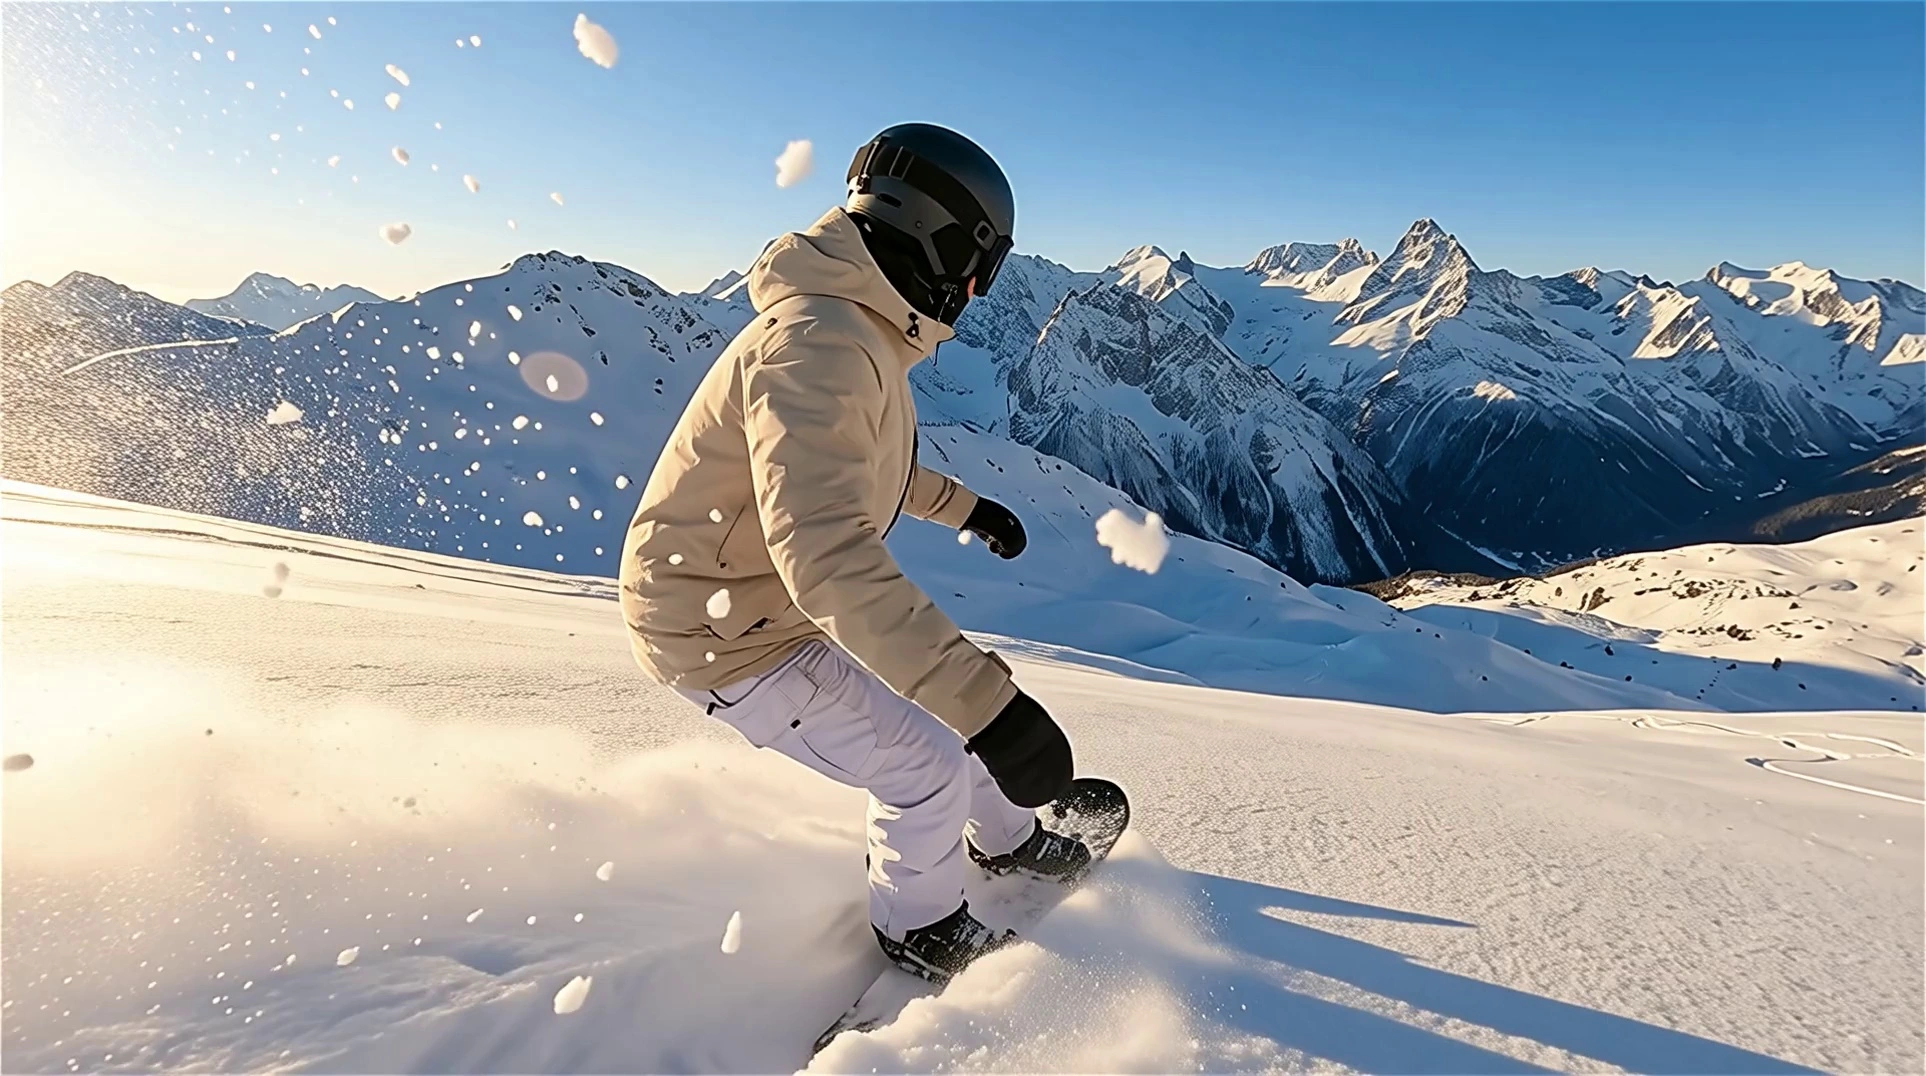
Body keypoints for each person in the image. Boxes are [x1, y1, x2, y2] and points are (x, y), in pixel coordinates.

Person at [619, 123, 1088, 982]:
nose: (979, 292)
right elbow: (827, 549)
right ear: (937, 242)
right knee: (926, 763)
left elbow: (864, 464)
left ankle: (1009, 840)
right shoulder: (820, 344)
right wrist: (995, 707)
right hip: (722, 633)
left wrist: (966, 507)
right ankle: (921, 928)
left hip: (757, 599)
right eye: (981, 265)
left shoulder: (857, 330)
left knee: (943, 721)